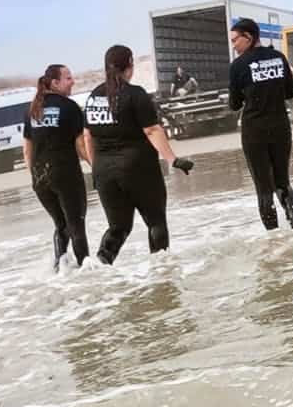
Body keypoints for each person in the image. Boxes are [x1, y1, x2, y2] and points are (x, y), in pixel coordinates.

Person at [87, 44, 186, 263]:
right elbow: (152, 130)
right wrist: (173, 159)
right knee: (156, 222)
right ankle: (163, 277)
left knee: (118, 227)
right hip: (138, 168)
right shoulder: (135, 94)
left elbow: (88, 137)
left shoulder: (93, 97)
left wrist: (96, 169)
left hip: (104, 172)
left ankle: (99, 268)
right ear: (130, 65)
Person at [227, 17, 293, 231]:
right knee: (282, 182)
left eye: (235, 41)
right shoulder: (278, 57)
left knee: (263, 187)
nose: (234, 46)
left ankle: (274, 238)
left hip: (254, 130)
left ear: (248, 37)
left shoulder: (238, 65)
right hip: (280, 126)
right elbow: (290, 92)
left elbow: (234, 104)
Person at [22, 63, 93, 270]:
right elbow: (81, 145)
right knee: (76, 224)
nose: (73, 81)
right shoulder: (69, 107)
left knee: (61, 226)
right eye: (68, 78)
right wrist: (96, 167)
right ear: (55, 83)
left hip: (40, 178)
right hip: (66, 174)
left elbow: (27, 150)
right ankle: (86, 273)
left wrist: (35, 177)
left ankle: (58, 269)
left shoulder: (32, 110)